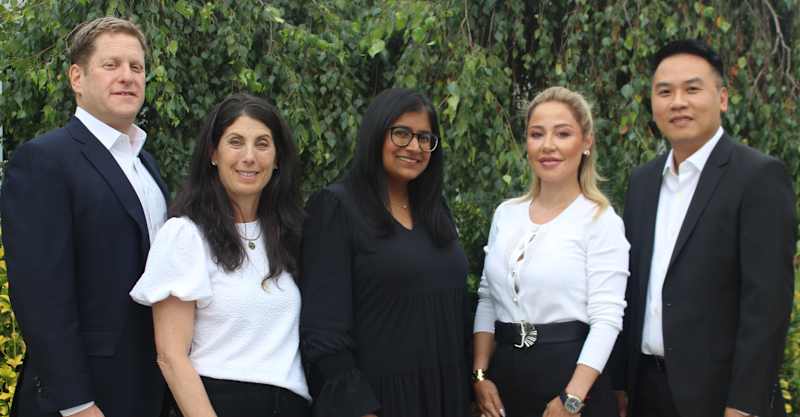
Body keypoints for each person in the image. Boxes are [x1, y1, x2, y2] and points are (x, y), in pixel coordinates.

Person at [616, 39, 796, 417]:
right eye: (665, 92)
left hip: (720, 399)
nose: (677, 102)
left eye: (692, 89)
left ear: (723, 98)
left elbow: (767, 307)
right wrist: (621, 385)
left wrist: (744, 405)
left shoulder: (758, 177)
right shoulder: (643, 182)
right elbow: (632, 290)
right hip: (646, 392)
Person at [0, 17, 168, 417]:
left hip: (147, 391)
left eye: (136, 67)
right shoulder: (43, 160)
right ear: (77, 77)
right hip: (83, 400)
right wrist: (76, 403)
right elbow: (41, 296)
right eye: (111, 65)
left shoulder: (146, 163)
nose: (127, 77)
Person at [129, 93, 310, 416]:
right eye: (236, 142)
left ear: (278, 157)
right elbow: (171, 356)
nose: (250, 157)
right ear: (213, 153)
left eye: (263, 144)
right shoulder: (186, 235)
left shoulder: (291, 235)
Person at [299, 88, 471, 417]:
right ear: (376, 134)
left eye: (425, 138)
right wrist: (361, 409)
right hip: (379, 401)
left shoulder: (436, 210)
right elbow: (323, 329)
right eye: (402, 133)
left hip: (447, 395)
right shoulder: (336, 207)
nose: (415, 147)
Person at [473, 86, 630, 417]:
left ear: (586, 142)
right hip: (506, 383)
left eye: (562, 133)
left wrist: (571, 399)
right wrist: (481, 374)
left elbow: (607, 320)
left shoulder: (600, 220)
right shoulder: (506, 214)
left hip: (572, 382)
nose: (548, 145)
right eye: (536, 134)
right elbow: (488, 298)